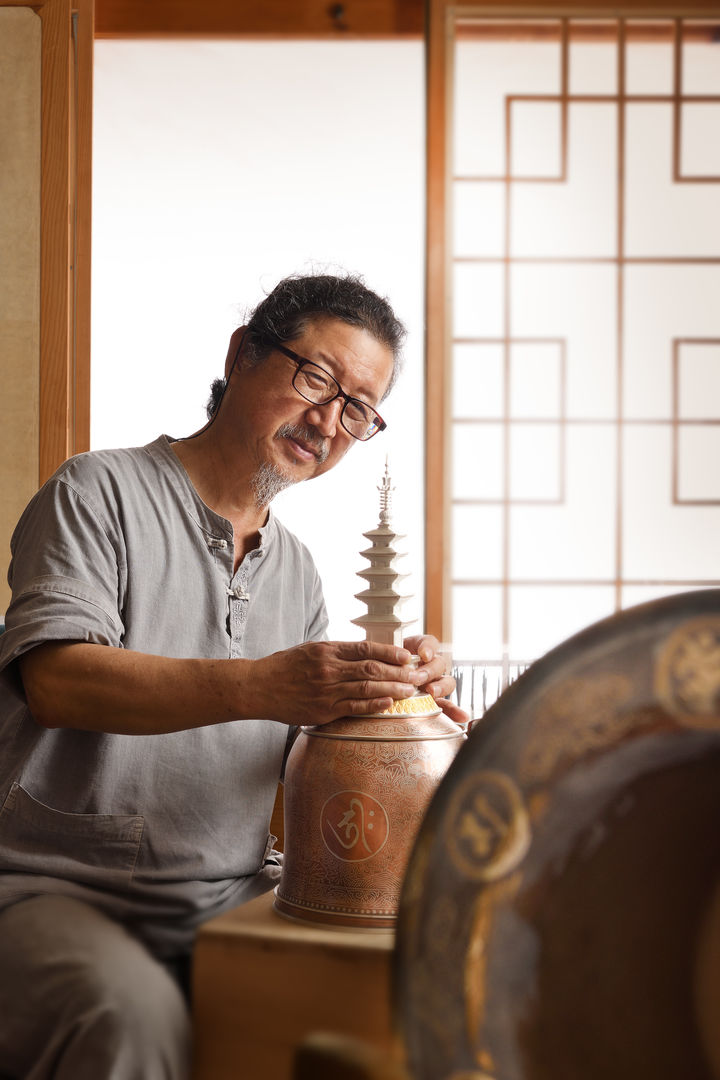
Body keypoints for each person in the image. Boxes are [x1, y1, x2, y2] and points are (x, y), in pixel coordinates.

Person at [0, 273, 465, 1078]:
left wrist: (403, 695)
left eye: (357, 408)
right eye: (316, 378)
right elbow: (57, 682)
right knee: (131, 1018)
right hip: (59, 887)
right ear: (242, 355)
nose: (327, 421)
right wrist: (261, 684)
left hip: (237, 892)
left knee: (402, 993)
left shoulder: (300, 573)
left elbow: (308, 758)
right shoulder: (97, 490)